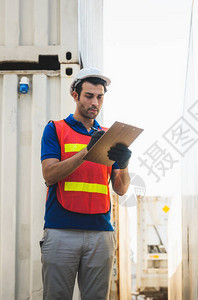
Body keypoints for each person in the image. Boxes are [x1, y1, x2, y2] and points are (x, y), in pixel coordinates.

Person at [40, 67, 131, 299]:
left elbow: (120, 188)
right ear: (75, 95)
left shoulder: (109, 134)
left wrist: (125, 163)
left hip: (100, 233)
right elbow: (49, 175)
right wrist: (87, 151)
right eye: (89, 96)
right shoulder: (55, 129)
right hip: (61, 230)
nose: (95, 102)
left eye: (99, 97)